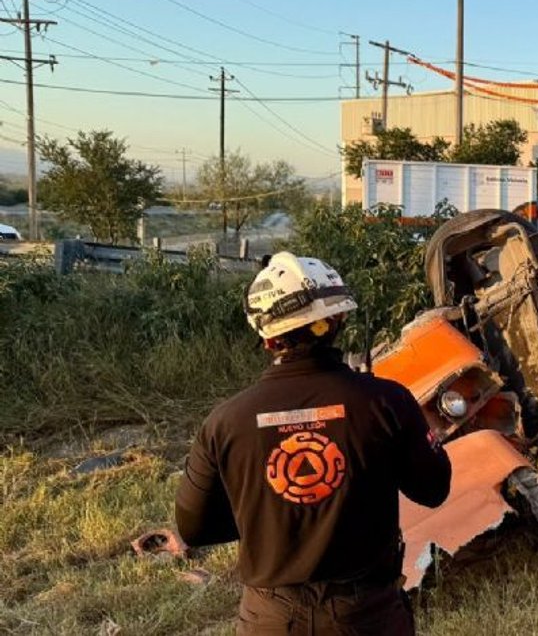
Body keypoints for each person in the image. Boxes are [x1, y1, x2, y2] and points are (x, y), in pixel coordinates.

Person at [175, 252, 452, 635]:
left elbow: (193, 528)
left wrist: (262, 515)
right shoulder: (387, 402)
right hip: (366, 615)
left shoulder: (223, 422)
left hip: (269, 619)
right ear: (336, 319)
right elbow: (433, 489)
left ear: (266, 337)